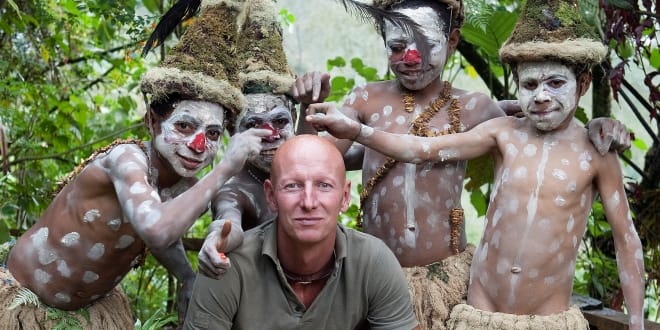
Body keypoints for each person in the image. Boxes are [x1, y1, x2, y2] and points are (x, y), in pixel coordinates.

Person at [304, 0, 645, 328]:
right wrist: (313, 112)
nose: (410, 57)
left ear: (451, 41)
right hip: (387, 278)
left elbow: (541, 133)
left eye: (555, 83)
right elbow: (318, 160)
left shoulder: (481, 112)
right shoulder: (369, 99)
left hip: (457, 285)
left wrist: (600, 125)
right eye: (396, 46)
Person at [1, 1, 270, 327]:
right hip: (20, 299)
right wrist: (225, 167)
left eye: (212, 133)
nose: (198, 146)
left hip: (89, 311)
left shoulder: (186, 185)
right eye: (184, 126)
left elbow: (165, 236)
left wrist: (186, 275)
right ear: (153, 123)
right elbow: (156, 229)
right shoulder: (125, 160)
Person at [183, 135, 419, 330]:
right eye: (292, 186)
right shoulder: (227, 266)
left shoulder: (374, 262)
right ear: (271, 196)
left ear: (345, 196)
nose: (308, 202)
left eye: (323, 185)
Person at [189, 0, 299, 279]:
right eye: (253, 125)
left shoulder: (306, 159)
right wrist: (218, 238)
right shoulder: (235, 186)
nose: (270, 135)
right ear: (232, 132)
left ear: (294, 120)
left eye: (280, 121)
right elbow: (228, 220)